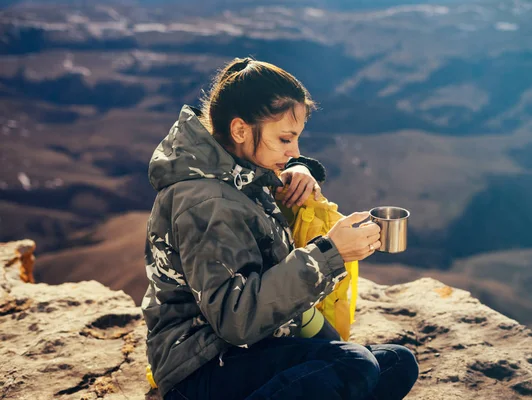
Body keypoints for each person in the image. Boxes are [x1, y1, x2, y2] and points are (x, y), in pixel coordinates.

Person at [141, 56, 419, 400]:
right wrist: (329, 254)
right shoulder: (204, 201)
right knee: (355, 366)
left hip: (255, 347)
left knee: (396, 362)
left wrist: (299, 170)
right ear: (240, 130)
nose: (294, 151)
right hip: (200, 366)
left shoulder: (241, 174)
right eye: (286, 139)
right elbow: (235, 320)